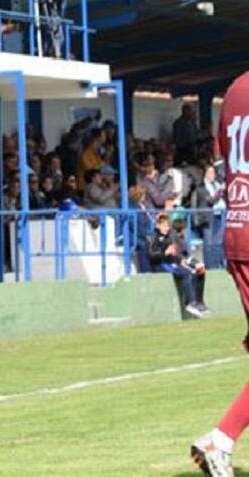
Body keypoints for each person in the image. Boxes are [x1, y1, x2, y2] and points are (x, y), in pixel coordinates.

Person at [192, 72, 249, 475]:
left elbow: (223, 154)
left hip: (238, 230)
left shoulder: (234, 90)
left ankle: (222, 438)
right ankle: (221, 438)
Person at [148, 213, 207, 318]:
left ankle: (199, 301)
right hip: (163, 264)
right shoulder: (154, 238)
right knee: (186, 273)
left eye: (167, 225)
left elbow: (179, 251)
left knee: (198, 271)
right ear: (158, 225)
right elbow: (152, 255)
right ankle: (189, 302)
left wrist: (188, 261)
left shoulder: (172, 235)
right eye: (163, 225)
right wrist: (164, 253)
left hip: (175, 261)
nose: (166, 227)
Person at [192, 164, 225, 270]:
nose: (212, 175)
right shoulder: (201, 187)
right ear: (205, 174)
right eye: (209, 172)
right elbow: (211, 200)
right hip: (208, 217)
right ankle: (210, 266)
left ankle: (217, 265)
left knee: (218, 243)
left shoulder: (217, 184)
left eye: (213, 172)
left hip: (220, 216)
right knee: (209, 243)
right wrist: (221, 191)